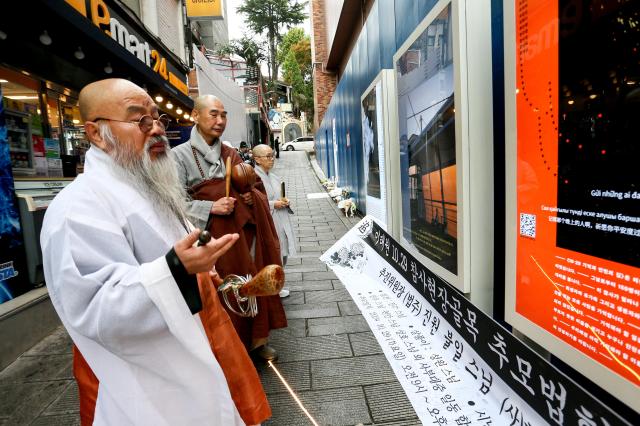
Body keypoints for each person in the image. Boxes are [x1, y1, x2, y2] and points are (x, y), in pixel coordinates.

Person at [40, 79, 271, 425]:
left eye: (157, 118)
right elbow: (93, 306)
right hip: (145, 376)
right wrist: (176, 270)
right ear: (97, 133)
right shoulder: (76, 208)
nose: (157, 130)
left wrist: (199, 268)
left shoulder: (146, 181)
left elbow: (171, 247)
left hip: (196, 338)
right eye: (140, 121)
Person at [171, 95, 287, 361]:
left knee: (249, 280)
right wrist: (209, 207)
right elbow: (174, 204)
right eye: (213, 114)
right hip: (206, 238)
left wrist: (249, 197)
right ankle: (225, 347)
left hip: (240, 234)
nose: (220, 121)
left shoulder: (230, 153)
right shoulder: (178, 156)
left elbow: (253, 187)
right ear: (195, 116)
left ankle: (256, 342)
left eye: (223, 115)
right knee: (219, 288)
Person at [253, 144, 296, 298]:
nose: (272, 159)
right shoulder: (253, 178)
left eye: (272, 155)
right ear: (257, 159)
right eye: (268, 156)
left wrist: (285, 201)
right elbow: (253, 201)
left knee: (283, 252)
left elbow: (278, 196)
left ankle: (276, 286)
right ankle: (270, 287)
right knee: (273, 253)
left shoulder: (273, 176)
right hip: (268, 221)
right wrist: (274, 204)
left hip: (280, 218)